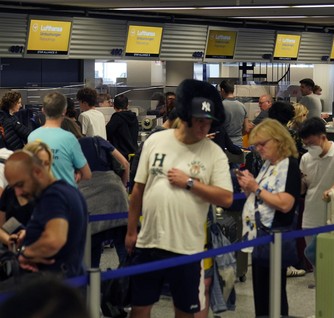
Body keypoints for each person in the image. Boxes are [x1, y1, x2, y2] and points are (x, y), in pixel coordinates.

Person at [125, 79, 233, 318]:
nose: (205, 128)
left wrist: (190, 183)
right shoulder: (156, 141)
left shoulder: (214, 153)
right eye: (200, 121)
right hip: (149, 242)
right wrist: (131, 230)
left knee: (184, 310)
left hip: (187, 248)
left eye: (209, 122)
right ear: (185, 117)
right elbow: (138, 191)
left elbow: (226, 198)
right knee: (140, 307)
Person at [237, 118, 300, 317]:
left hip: (276, 236)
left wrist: (255, 188)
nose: (259, 149)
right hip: (261, 235)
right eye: (256, 145)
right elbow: (262, 197)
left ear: (279, 140)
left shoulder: (289, 165)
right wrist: (249, 188)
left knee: (274, 296)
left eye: (263, 144)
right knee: (262, 295)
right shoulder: (268, 165)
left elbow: (285, 203)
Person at [5, 150, 88, 278]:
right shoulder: (66, 191)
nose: (18, 193)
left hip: (54, 287)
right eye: (14, 187)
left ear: (37, 172)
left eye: (20, 185)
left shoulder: (54, 196)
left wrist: (25, 253)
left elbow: (54, 240)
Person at [61, 117, 130, 267]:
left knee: (91, 256)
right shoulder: (96, 140)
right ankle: (127, 286)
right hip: (116, 194)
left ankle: (94, 287)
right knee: (126, 253)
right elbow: (125, 163)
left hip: (89, 202)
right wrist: (123, 186)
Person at [298, 117, 334, 267]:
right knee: (317, 263)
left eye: (311, 143)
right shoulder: (306, 158)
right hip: (311, 217)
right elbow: (304, 187)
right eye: (306, 144)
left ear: (323, 137)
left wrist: (332, 190)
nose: (308, 147)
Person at [28, 92, 91, 187]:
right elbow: (87, 174)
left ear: (43, 110)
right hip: (66, 196)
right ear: (64, 111)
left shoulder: (32, 137)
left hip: (42, 196)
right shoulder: (69, 138)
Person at [0, 141, 50, 248]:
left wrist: (28, 234)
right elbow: (1, 227)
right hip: (13, 254)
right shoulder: (10, 191)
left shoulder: (51, 193)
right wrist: (8, 239)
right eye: (39, 163)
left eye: (47, 163)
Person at [106, 94, 139, 159]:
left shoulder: (117, 117)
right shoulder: (133, 117)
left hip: (121, 155)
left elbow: (107, 132)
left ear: (114, 106)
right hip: (134, 153)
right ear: (127, 105)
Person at [220, 80, 250, 147]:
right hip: (238, 144)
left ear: (222, 90)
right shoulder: (242, 106)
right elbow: (247, 129)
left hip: (224, 144)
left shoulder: (220, 106)